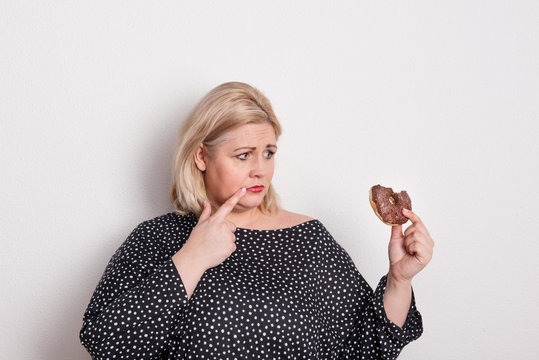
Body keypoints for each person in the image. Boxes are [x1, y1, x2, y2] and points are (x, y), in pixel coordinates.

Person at [79, 81, 434, 359]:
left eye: (268, 153)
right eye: (243, 155)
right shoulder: (158, 237)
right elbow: (108, 347)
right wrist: (192, 258)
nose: (259, 170)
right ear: (202, 156)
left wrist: (399, 281)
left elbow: (365, 351)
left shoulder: (309, 240)